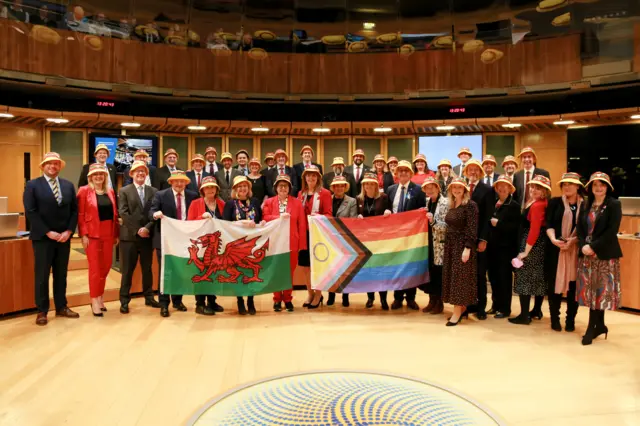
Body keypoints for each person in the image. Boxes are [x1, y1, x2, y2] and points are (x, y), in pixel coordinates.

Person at [23, 152, 80, 326]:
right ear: (43, 166)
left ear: (59, 166)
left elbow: (74, 211)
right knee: (42, 275)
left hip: (64, 238)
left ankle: (61, 307)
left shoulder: (68, 185)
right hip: (43, 238)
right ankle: (42, 310)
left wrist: (69, 231)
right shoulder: (33, 185)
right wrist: (48, 232)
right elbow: (30, 212)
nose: (52, 166)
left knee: (61, 274)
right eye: (49, 164)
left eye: (56, 164)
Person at [576, 172, 622, 346]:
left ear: (607, 187)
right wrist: (583, 245)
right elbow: (579, 228)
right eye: (595, 184)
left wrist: (593, 247)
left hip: (603, 255)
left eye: (602, 184)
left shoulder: (614, 205)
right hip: (586, 255)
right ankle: (600, 325)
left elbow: (611, 231)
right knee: (590, 292)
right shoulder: (586, 204)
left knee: (600, 292)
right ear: (590, 187)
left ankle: (591, 328)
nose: (598, 187)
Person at [150, 170, 198, 317]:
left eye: (182, 181)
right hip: (165, 240)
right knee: (166, 271)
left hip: (184, 240)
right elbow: (151, 210)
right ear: (171, 182)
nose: (179, 184)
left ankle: (177, 301)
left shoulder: (193, 196)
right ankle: (164, 304)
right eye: (176, 181)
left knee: (180, 270)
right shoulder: (160, 195)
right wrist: (155, 214)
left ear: (186, 182)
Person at [118, 161, 160, 314]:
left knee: (147, 269)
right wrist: (137, 230)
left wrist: (147, 228)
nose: (140, 173)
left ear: (146, 174)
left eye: (143, 171)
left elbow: (155, 212)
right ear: (132, 174)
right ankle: (124, 300)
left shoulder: (154, 191)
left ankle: (149, 297)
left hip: (147, 236)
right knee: (127, 270)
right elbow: (123, 212)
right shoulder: (124, 190)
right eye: (137, 171)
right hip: (129, 237)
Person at [77, 163, 119, 316]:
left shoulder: (110, 192)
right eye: (95, 174)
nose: (99, 177)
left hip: (108, 232)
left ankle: (100, 296)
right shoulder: (84, 191)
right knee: (95, 268)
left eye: (101, 174)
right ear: (90, 177)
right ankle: (94, 299)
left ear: (105, 176)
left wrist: (116, 234)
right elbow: (80, 214)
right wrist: (83, 234)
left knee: (106, 266)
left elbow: (114, 214)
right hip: (93, 234)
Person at [509, 175, 551, 325]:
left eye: (538, 187)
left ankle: (524, 315)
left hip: (532, 244)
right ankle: (536, 311)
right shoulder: (535, 202)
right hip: (537, 244)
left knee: (524, 277)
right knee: (537, 278)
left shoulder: (538, 205)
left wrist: (526, 251)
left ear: (545, 190)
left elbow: (534, 229)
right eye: (532, 186)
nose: (533, 189)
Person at [545, 173, 584, 331]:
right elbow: (548, 224)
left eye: (571, 184)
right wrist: (554, 240)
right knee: (554, 286)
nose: (567, 187)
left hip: (576, 249)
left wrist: (573, 241)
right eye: (564, 184)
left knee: (574, 287)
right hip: (556, 249)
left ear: (577, 186)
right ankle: (555, 319)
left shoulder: (585, 205)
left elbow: (587, 228)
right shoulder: (554, 202)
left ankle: (570, 320)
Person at [263, 175, 306, 313]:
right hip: (275, 242)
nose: (283, 188)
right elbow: (265, 218)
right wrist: (278, 217)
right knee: (275, 271)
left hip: (292, 242)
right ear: (276, 188)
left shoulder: (297, 203)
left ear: (289, 188)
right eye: (280, 185)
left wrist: (302, 244)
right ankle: (277, 299)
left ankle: (287, 299)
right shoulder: (269, 202)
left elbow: (302, 224)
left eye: (285, 186)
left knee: (289, 273)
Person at [223, 176, 266, 315]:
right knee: (239, 272)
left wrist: (263, 223)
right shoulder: (230, 204)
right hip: (236, 245)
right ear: (235, 189)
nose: (242, 189)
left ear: (249, 188)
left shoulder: (254, 201)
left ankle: (250, 300)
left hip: (252, 245)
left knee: (251, 271)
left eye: (245, 186)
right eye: (239, 186)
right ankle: (240, 300)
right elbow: (225, 224)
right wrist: (243, 223)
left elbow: (260, 218)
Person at [387, 160, 426, 310]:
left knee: (410, 267)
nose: (403, 173)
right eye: (400, 171)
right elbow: (387, 208)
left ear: (410, 173)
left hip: (412, 236)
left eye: (406, 170)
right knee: (397, 266)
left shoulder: (418, 190)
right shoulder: (390, 190)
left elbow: (422, 210)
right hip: (395, 236)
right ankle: (397, 298)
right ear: (396, 174)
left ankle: (411, 298)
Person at [187, 176, 226, 315]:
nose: (210, 189)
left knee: (213, 274)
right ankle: (200, 304)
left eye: (213, 187)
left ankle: (212, 301)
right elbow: (189, 224)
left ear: (216, 189)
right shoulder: (195, 203)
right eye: (207, 187)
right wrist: (200, 218)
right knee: (201, 272)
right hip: (201, 246)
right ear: (202, 190)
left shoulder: (221, 204)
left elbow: (227, 223)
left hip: (216, 247)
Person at [441, 177, 478, 326]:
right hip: (451, 246)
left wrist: (467, 248)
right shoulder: (452, 204)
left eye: (460, 188)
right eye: (454, 188)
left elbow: (472, 228)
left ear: (465, 190)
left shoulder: (470, 205)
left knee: (459, 280)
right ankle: (461, 308)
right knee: (453, 278)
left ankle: (457, 313)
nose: (457, 190)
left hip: (462, 246)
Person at [463, 159, 494, 320]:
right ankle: (468, 304)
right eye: (470, 169)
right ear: (466, 172)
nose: (473, 172)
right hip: (464, 239)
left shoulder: (487, 190)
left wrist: (483, 239)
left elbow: (488, 217)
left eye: (476, 170)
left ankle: (481, 307)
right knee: (467, 274)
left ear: (481, 173)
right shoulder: (461, 188)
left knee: (480, 274)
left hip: (479, 238)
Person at [298, 165, 332, 309]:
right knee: (305, 266)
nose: (311, 178)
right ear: (304, 178)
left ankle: (318, 293)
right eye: (308, 175)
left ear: (318, 177)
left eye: (314, 175)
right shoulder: (301, 193)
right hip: (303, 234)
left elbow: (330, 214)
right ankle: (310, 293)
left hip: (318, 234)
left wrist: (318, 217)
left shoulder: (324, 193)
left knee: (317, 265)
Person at [356, 172, 392, 309]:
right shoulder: (358, 199)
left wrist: (389, 212)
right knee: (368, 270)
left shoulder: (384, 197)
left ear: (376, 185)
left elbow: (390, 213)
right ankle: (370, 298)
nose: (369, 186)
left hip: (381, 240)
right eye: (367, 183)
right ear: (363, 185)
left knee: (382, 270)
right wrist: (357, 217)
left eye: (372, 183)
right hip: (365, 240)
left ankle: (383, 299)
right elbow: (353, 218)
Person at [487, 176, 520, 319]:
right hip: (492, 247)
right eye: (499, 185)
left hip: (506, 248)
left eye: (505, 185)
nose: (502, 188)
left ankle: (505, 308)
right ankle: (495, 305)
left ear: (510, 188)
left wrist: (498, 223)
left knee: (504, 279)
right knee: (493, 277)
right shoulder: (494, 203)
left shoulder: (514, 205)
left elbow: (515, 228)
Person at [327, 175, 358, 307]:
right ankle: (331, 294)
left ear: (345, 187)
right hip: (328, 238)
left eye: (341, 185)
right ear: (332, 188)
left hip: (345, 239)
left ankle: (346, 296)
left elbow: (353, 220)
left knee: (346, 269)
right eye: (336, 185)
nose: (339, 188)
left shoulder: (352, 201)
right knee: (331, 269)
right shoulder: (327, 199)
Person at [420, 176, 449, 315]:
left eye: (432, 187)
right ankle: (431, 301)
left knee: (439, 274)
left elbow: (448, 225)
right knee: (430, 273)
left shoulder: (446, 203)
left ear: (438, 187)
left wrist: (433, 222)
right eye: (427, 187)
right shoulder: (427, 202)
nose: (429, 189)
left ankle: (439, 303)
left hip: (440, 245)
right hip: (428, 244)